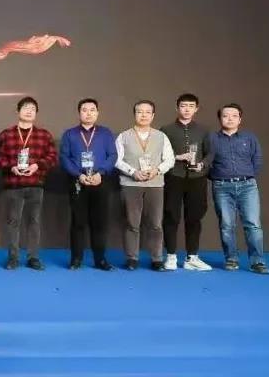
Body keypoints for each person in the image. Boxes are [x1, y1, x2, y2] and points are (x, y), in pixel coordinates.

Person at [0, 96, 58, 270]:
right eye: (25, 108)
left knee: (34, 222)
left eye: (32, 109)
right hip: (13, 184)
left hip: (36, 184)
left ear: (36, 113)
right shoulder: (6, 134)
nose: (29, 111)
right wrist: (11, 167)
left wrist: (37, 165)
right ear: (18, 111)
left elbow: (52, 157)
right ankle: (13, 258)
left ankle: (33, 257)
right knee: (13, 223)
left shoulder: (44, 135)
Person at [207, 104, 269, 274]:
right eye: (225, 115)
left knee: (253, 224)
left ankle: (258, 262)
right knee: (227, 225)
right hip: (221, 186)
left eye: (234, 116)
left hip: (247, 186)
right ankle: (231, 259)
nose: (230, 119)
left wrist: (247, 176)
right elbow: (206, 161)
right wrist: (218, 176)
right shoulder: (212, 138)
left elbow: (257, 159)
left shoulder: (249, 137)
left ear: (240, 119)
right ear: (220, 119)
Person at [115, 100, 175, 271]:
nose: (143, 115)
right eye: (140, 112)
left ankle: (157, 259)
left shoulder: (161, 136)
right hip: (130, 184)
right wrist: (133, 172)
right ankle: (132, 258)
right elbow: (117, 160)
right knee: (132, 223)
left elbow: (170, 159)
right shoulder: (123, 136)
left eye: (147, 112)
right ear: (134, 114)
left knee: (156, 223)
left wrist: (157, 170)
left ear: (153, 115)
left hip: (155, 184)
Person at [59, 98, 116, 271]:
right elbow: (64, 157)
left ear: (97, 113)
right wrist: (79, 175)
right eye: (84, 110)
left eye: (92, 110)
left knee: (99, 223)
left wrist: (101, 173)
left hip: (100, 181)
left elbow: (112, 155)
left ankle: (100, 260)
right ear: (79, 113)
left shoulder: (106, 133)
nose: (88, 113)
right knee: (78, 222)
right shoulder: (70, 134)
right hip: (78, 181)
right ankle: (76, 259)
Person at [160, 93, 213, 271]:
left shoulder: (204, 130)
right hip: (173, 177)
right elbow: (160, 154)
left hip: (197, 179)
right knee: (171, 216)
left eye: (191, 106)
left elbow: (210, 154)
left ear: (196, 109)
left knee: (194, 217)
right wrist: (177, 157)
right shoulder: (166, 130)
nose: (187, 109)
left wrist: (202, 165)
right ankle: (171, 256)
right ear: (177, 108)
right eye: (183, 106)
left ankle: (192, 257)